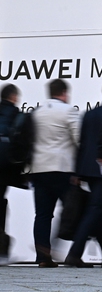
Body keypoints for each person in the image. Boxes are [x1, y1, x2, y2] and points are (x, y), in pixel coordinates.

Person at [65, 81, 102, 268]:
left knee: (97, 209)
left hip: (88, 168)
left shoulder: (89, 114)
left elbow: (82, 144)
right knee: (95, 208)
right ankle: (75, 252)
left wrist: (77, 172)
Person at [29, 78, 80, 267]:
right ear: (65, 93)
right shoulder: (69, 111)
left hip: (39, 169)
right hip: (62, 169)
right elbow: (79, 139)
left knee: (42, 214)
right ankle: (68, 250)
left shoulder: (37, 113)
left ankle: (43, 256)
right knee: (72, 210)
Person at [0, 84, 30, 265]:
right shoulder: (18, 116)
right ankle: (2, 250)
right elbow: (23, 144)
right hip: (6, 169)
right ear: (14, 97)